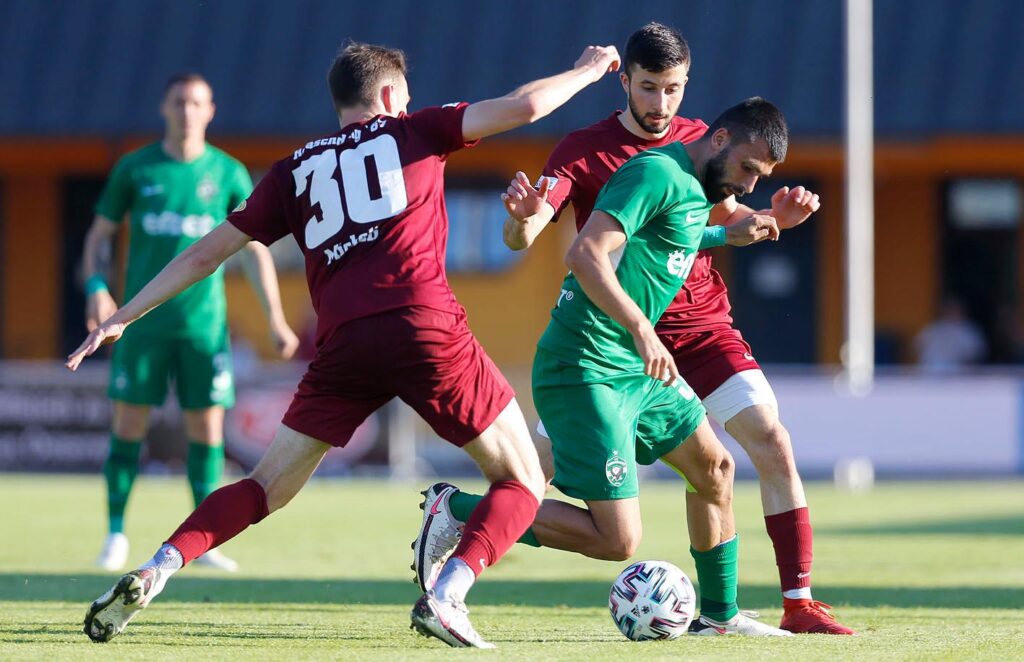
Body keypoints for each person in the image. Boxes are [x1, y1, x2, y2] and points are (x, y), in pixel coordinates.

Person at [68, 40, 622, 648]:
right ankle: (447, 597)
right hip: (421, 324)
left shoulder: (292, 170)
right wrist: (587, 70)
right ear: (387, 95)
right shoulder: (415, 130)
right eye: (404, 95)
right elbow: (525, 106)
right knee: (521, 481)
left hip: (343, 345)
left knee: (264, 486)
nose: (408, 103)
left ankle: (158, 567)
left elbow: (205, 254)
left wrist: (125, 315)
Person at [414, 23, 854, 635]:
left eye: (673, 89)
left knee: (717, 468)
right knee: (590, 521)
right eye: (649, 87)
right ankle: (458, 513)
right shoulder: (627, 162)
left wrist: (758, 224)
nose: (661, 103)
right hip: (598, 354)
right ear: (625, 82)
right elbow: (562, 246)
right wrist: (520, 224)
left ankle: (724, 615)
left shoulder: (699, 154)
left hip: (668, 347)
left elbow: (687, 230)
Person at [81, 73, 299, 574]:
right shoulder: (136, 168)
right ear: (165, 107)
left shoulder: (227, 172)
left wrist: (275, 317)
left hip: (204, 328)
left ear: (210, 110)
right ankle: (114, 533)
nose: (187, 111)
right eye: (179, 101)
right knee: (128, 425)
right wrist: (96, 285)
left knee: (207, 429)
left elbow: (255, 250)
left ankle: (205, 542)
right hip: (141, 326)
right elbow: (99, 235)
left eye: (196, 102)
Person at [914, 297, 987, 373]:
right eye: (949, 309)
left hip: (958, 375)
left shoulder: (969, 331)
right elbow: (917, 347)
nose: (952, 311)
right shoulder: (933, 328)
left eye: (955, 309)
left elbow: (976, 355)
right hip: (929, 373)